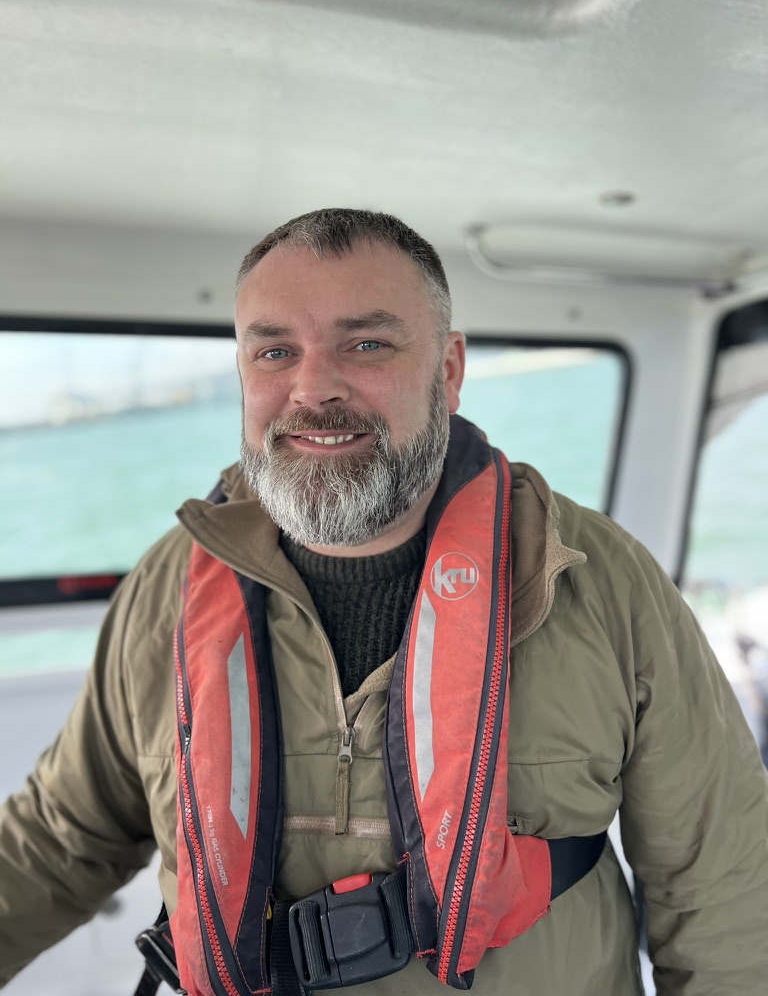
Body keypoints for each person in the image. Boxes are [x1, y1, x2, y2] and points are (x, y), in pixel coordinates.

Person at [0, 208, 766, 996]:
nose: (314, 387)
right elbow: (59, 843)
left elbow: (725, 887)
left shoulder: (596, 579)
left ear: (449, 370)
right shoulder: (168, 590)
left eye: (366, 345)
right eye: (274, 351)